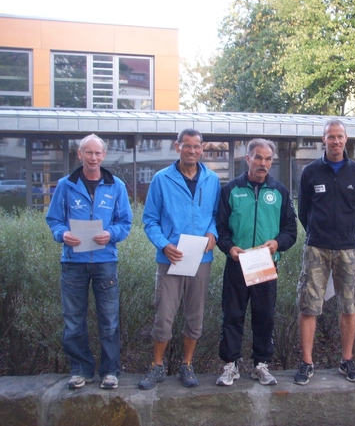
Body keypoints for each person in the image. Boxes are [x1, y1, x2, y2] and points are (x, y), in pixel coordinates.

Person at [46, 134, 132, 390]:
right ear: (80, 154)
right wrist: (62, 234)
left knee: (109, 320)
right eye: (88, 153)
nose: (93, 158)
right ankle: (80, 370)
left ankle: (110, 371)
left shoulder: (116, 185)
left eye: (97, 153)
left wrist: (111, 234)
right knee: (73, 321)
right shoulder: (66, 185)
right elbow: (53, 219)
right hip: (73, 262)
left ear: (103, 155)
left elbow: (125, 222)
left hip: (106, 261)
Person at [138, 128, 220, 390]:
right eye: (187, 146)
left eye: (196, 146)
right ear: (177, 147)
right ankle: (157, 366)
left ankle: (187, 364)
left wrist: (213, 233)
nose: (192, 150)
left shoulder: (212, 180)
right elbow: (150, 220)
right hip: (170, 259)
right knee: (164, 316)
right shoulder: (161, 179)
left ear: (202, 148)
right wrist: (164, 246)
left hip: (201, 258)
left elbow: (216, 215)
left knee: (195, 316)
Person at [216, 138, 297, 386]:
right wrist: (229, 248)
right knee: (233, 315)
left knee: (265, 316)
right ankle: (230, 365)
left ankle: (261, 364)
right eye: (258, 158)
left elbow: (290, 230)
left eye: (268, 159)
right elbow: (220, 228)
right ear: (248, 158)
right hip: (237, 263)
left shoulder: (279, 191)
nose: (263, 163)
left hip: (265, 264)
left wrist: (277, 243)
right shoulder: (231, 190)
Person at [294, 119, 355, 385]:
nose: (335, 141)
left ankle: (347, 360)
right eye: (330, 136)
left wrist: (344, 232)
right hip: (316, 248)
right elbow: (303, 211)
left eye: (340, 136)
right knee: (309, 305)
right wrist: (319, 232)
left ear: (346, 139)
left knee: (349, 305)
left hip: (347, 249)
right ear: (323, 140)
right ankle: (306, 362)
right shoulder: (310, 171)